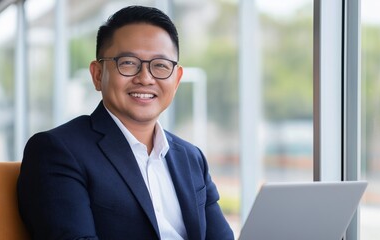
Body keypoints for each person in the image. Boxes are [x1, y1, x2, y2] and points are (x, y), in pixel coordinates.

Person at [17, 5, 234, 240]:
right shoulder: (57, 151)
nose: (145, 78)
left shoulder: (192, 159)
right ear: (98, 74)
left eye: (160, 65)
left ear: (177, 79)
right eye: (128, 63)